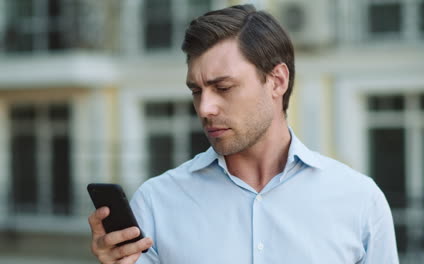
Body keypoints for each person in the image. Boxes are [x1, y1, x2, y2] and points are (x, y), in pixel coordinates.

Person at [88, 4, 399, 264]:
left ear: (277, 81)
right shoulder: (155, 203)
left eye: (223, 88)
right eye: (197, 91)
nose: (205, 108)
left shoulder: (360, 201)